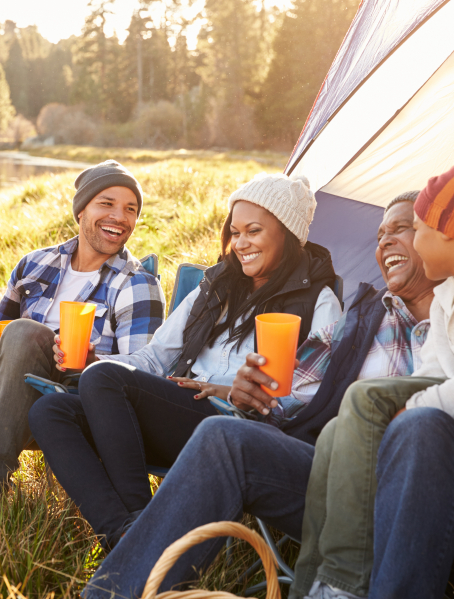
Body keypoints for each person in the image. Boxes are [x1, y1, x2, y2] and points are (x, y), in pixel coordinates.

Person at [81, 186, 454, 598]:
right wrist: (248, 394)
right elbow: (286, 401)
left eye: (402, 228)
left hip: (432, 485)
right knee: (224, 436)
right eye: (379, 235)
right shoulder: (359, 324)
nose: (386, 240)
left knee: (421, 424)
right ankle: (111, 593)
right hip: (336, 481)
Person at [30, 172, 342, 551]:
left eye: (254, 231)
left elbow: (315, 398)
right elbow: (156, 357)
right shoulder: (217, 286)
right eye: (235, 232)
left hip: (236, 428)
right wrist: (101, 362)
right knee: (52, 409)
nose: (241, 243)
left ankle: (147, 534)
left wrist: (234, 392)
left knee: (104, 380)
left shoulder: (319, 302)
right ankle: (124, 532)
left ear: (288, 235)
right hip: (179, 413)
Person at [292, 156, 454, 599]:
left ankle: (345, 582)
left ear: (445, 231)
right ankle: (310, 587)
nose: (402, 241)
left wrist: (409, 410)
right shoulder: (448, 296)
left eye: (416, 229)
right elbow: (431, 375)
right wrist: (392, 413)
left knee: (366, 401)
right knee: (341, 429)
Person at [0, 160, 165, 505]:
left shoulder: (136, 283)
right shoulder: (35, 264)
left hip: (68, 405)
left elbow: (142, 371)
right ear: (81, 211)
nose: (120, 216)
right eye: (107, 203)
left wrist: (93, 361)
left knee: (25, 333)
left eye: (130, 209)